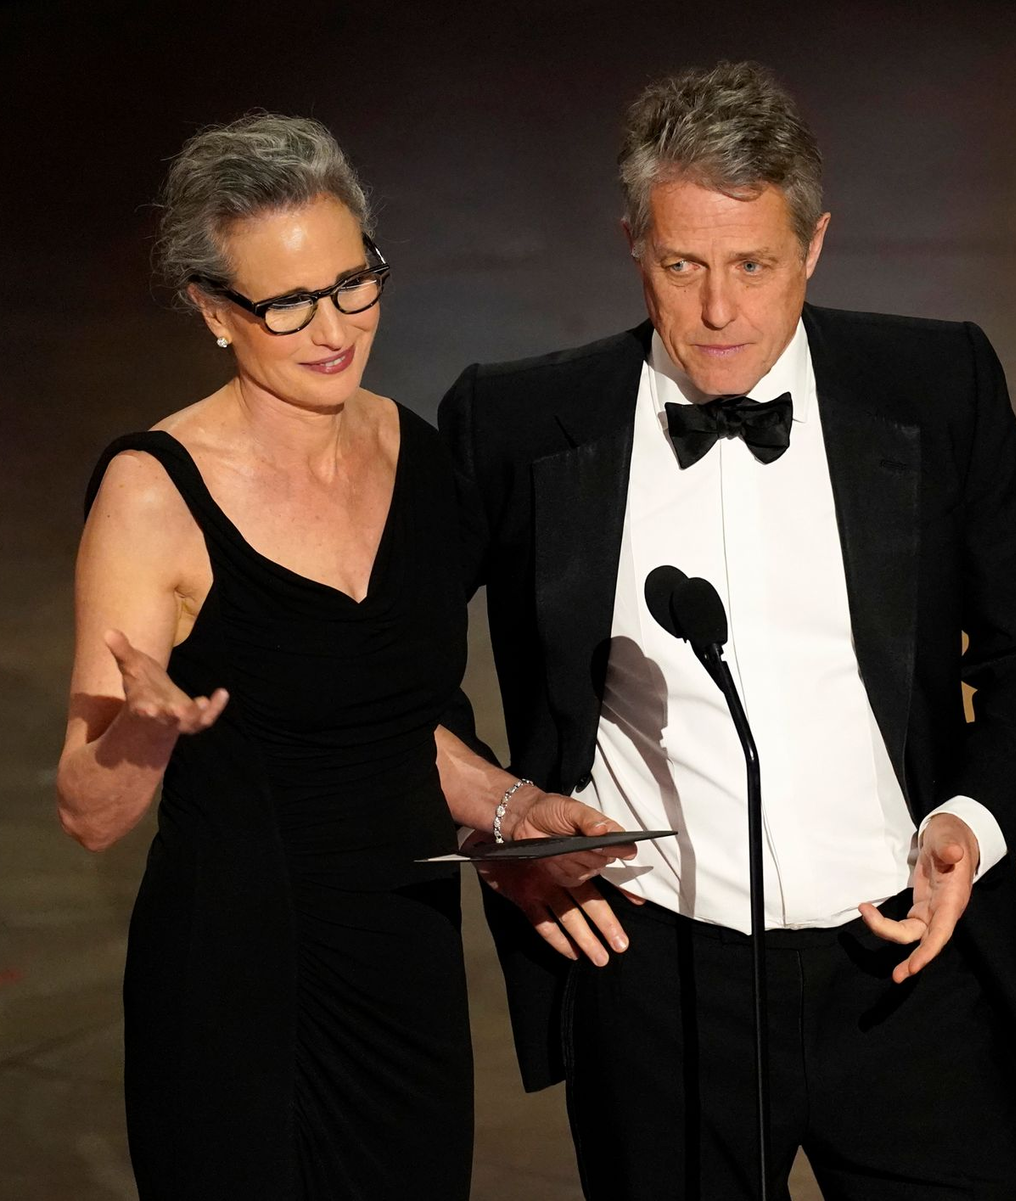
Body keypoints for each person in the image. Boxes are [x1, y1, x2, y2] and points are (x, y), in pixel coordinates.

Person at [437, 62, 1016, 1199]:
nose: (718, 310)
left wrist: (972, 824)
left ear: (815, 245)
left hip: (908, 965)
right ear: (633, 245)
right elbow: (382, 667)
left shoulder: (936, 386)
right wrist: (501, 822)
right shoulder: (517, 422)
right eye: (681, 265)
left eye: (753, 264)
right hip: (654, 982)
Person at [55, 112, 625, 1200]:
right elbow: (89, 812)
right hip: (235, 981)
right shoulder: (153, 493)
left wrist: (513, 810)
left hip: (405, 963)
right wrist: (149, 729)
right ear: (214, 312)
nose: (333, 328)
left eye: (354, 282)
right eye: (288, 303)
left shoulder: (422, 459)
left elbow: (396, 726)